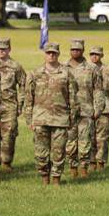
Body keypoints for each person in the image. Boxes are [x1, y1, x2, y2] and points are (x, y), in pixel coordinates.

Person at [24, 42, 76, 185]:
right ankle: (44, 178)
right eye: (49, 53)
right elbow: (29, 98)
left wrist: (72, 118)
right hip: (40, 118)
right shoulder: (35, 73)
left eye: (54, 53)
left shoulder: (67, 73)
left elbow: (72, 98)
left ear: (58, 54)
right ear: (45, 54)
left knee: (59, 151)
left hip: (61, 118)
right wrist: (29, 119)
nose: (51, 55)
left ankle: (56, 180)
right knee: (41, 152)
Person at [64, 39, 101, 178]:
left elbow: (98, 90)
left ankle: (83, 166)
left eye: (78, 50)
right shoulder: (63, 68)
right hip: (68, 111)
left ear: (83, 50)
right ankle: (73, 166)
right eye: (73, 49)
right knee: (70, 141)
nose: (75, 52)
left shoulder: (92, 69)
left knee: (85, 140)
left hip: (86, 110)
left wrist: (98, 108)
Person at [0, 38, 26, 171]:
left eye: (4, 49)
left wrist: (20, 104)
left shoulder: (15, 66)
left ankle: (6, 162)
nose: (1, 52)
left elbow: (23, 85)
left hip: (10, 105)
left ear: (9, 49)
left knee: (9, 135)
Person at [88, 46, 109, 170]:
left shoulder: (108, 70)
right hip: (89, 106)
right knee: (89, 136)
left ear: (102, 55)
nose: (94, 56)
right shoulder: (85, 69)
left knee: (103, 137)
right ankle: (91, 162)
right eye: (92, 54)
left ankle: (101, 162)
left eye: (97, 54)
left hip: (105, 107)